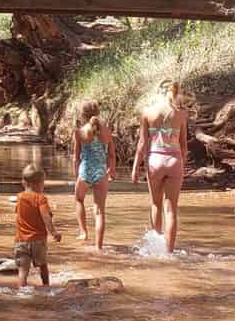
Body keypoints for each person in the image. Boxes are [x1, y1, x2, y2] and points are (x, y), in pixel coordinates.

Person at [130, 79, 188, 252]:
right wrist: (181, 165)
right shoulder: (181, 114)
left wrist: (135, 168)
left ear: (158, 91)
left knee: (156, 204)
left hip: (155, 160)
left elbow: (142, 144)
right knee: (171, 210)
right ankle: (169, 253)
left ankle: (155, 248)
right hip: (174, 160)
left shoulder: (147, 112)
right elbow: (184, 145)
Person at [71, 100, 116, 250]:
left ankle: (83, 232)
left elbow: (76, 157)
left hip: (85, 170)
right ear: (98, 113)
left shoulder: (79, 132)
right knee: (99, 211)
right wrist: (112, 170)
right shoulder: (107, 131)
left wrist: (76, 174)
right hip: (101, 172)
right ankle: (99, 246)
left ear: (82, 115)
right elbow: (111, 155)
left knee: (79, 199)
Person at [13, 163, 63, 289]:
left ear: (24, 183)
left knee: (23, 271)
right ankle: (46, 287)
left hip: (21, 241)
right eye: (43, 184)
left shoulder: (19, 197)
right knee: (43, 265)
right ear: (38, 184)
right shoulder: (41, 198)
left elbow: (18, 214)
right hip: (38, 240)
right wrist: (54, 233)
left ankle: (21, 291)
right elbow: (46, 217)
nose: (43, 186)